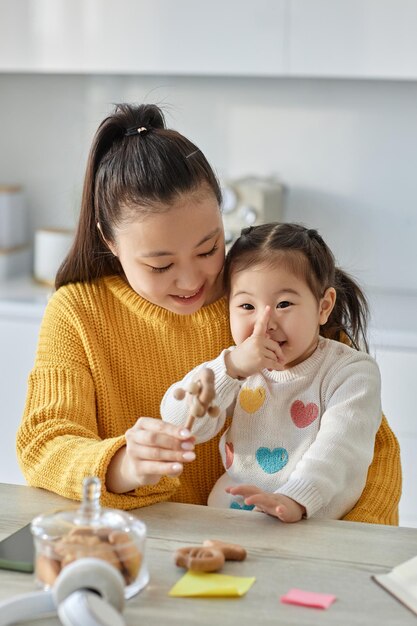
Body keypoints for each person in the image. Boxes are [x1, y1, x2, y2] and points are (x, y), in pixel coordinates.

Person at [16, 103, 401, 523]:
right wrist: (122, 464)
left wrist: (342, 553)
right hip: (148, 548)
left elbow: (369, 448)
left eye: (208, 248)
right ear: (109, 240)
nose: (190, 280)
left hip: (282, 546)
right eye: (160, 265)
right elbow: (44, 442)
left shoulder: (264, 300)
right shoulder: (78, 313)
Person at [161, 222, 383, 522]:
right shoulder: (237, 368)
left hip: (308, 521)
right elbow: (179, 424)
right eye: (246, 306)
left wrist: (294, 498)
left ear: (323, 306)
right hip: (232, 517)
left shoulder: (351, 372)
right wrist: (231, 368)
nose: (264, 324)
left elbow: (340, 450)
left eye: (283, 304)